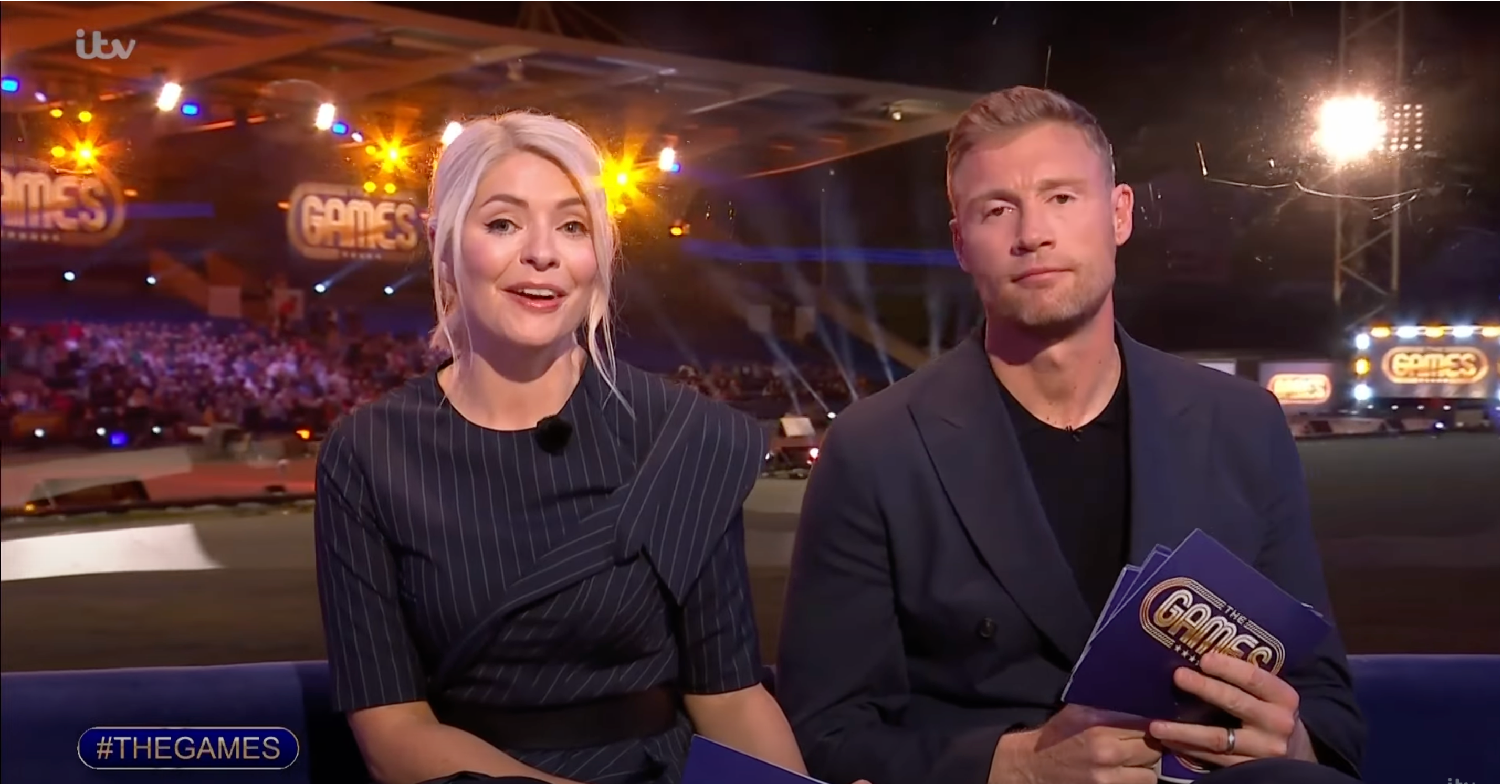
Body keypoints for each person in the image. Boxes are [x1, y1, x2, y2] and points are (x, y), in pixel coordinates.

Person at [775, 87, 1366, 784]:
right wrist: (1018, 766)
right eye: (998, 209)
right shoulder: (877, 448)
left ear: (1119, 214)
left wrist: (1291, 744)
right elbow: (827, 733)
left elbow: (1328, 708)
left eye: (1061, 197)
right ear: (962, 244)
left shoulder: (1242, 424)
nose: (1033, 234)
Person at [314, 112, 805, 784]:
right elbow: (393, 732)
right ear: (443, 244)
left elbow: (732, 698)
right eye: (503, 223)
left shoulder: (685, 436)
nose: (542, 253)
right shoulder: (369, 454)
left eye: (573, 227)